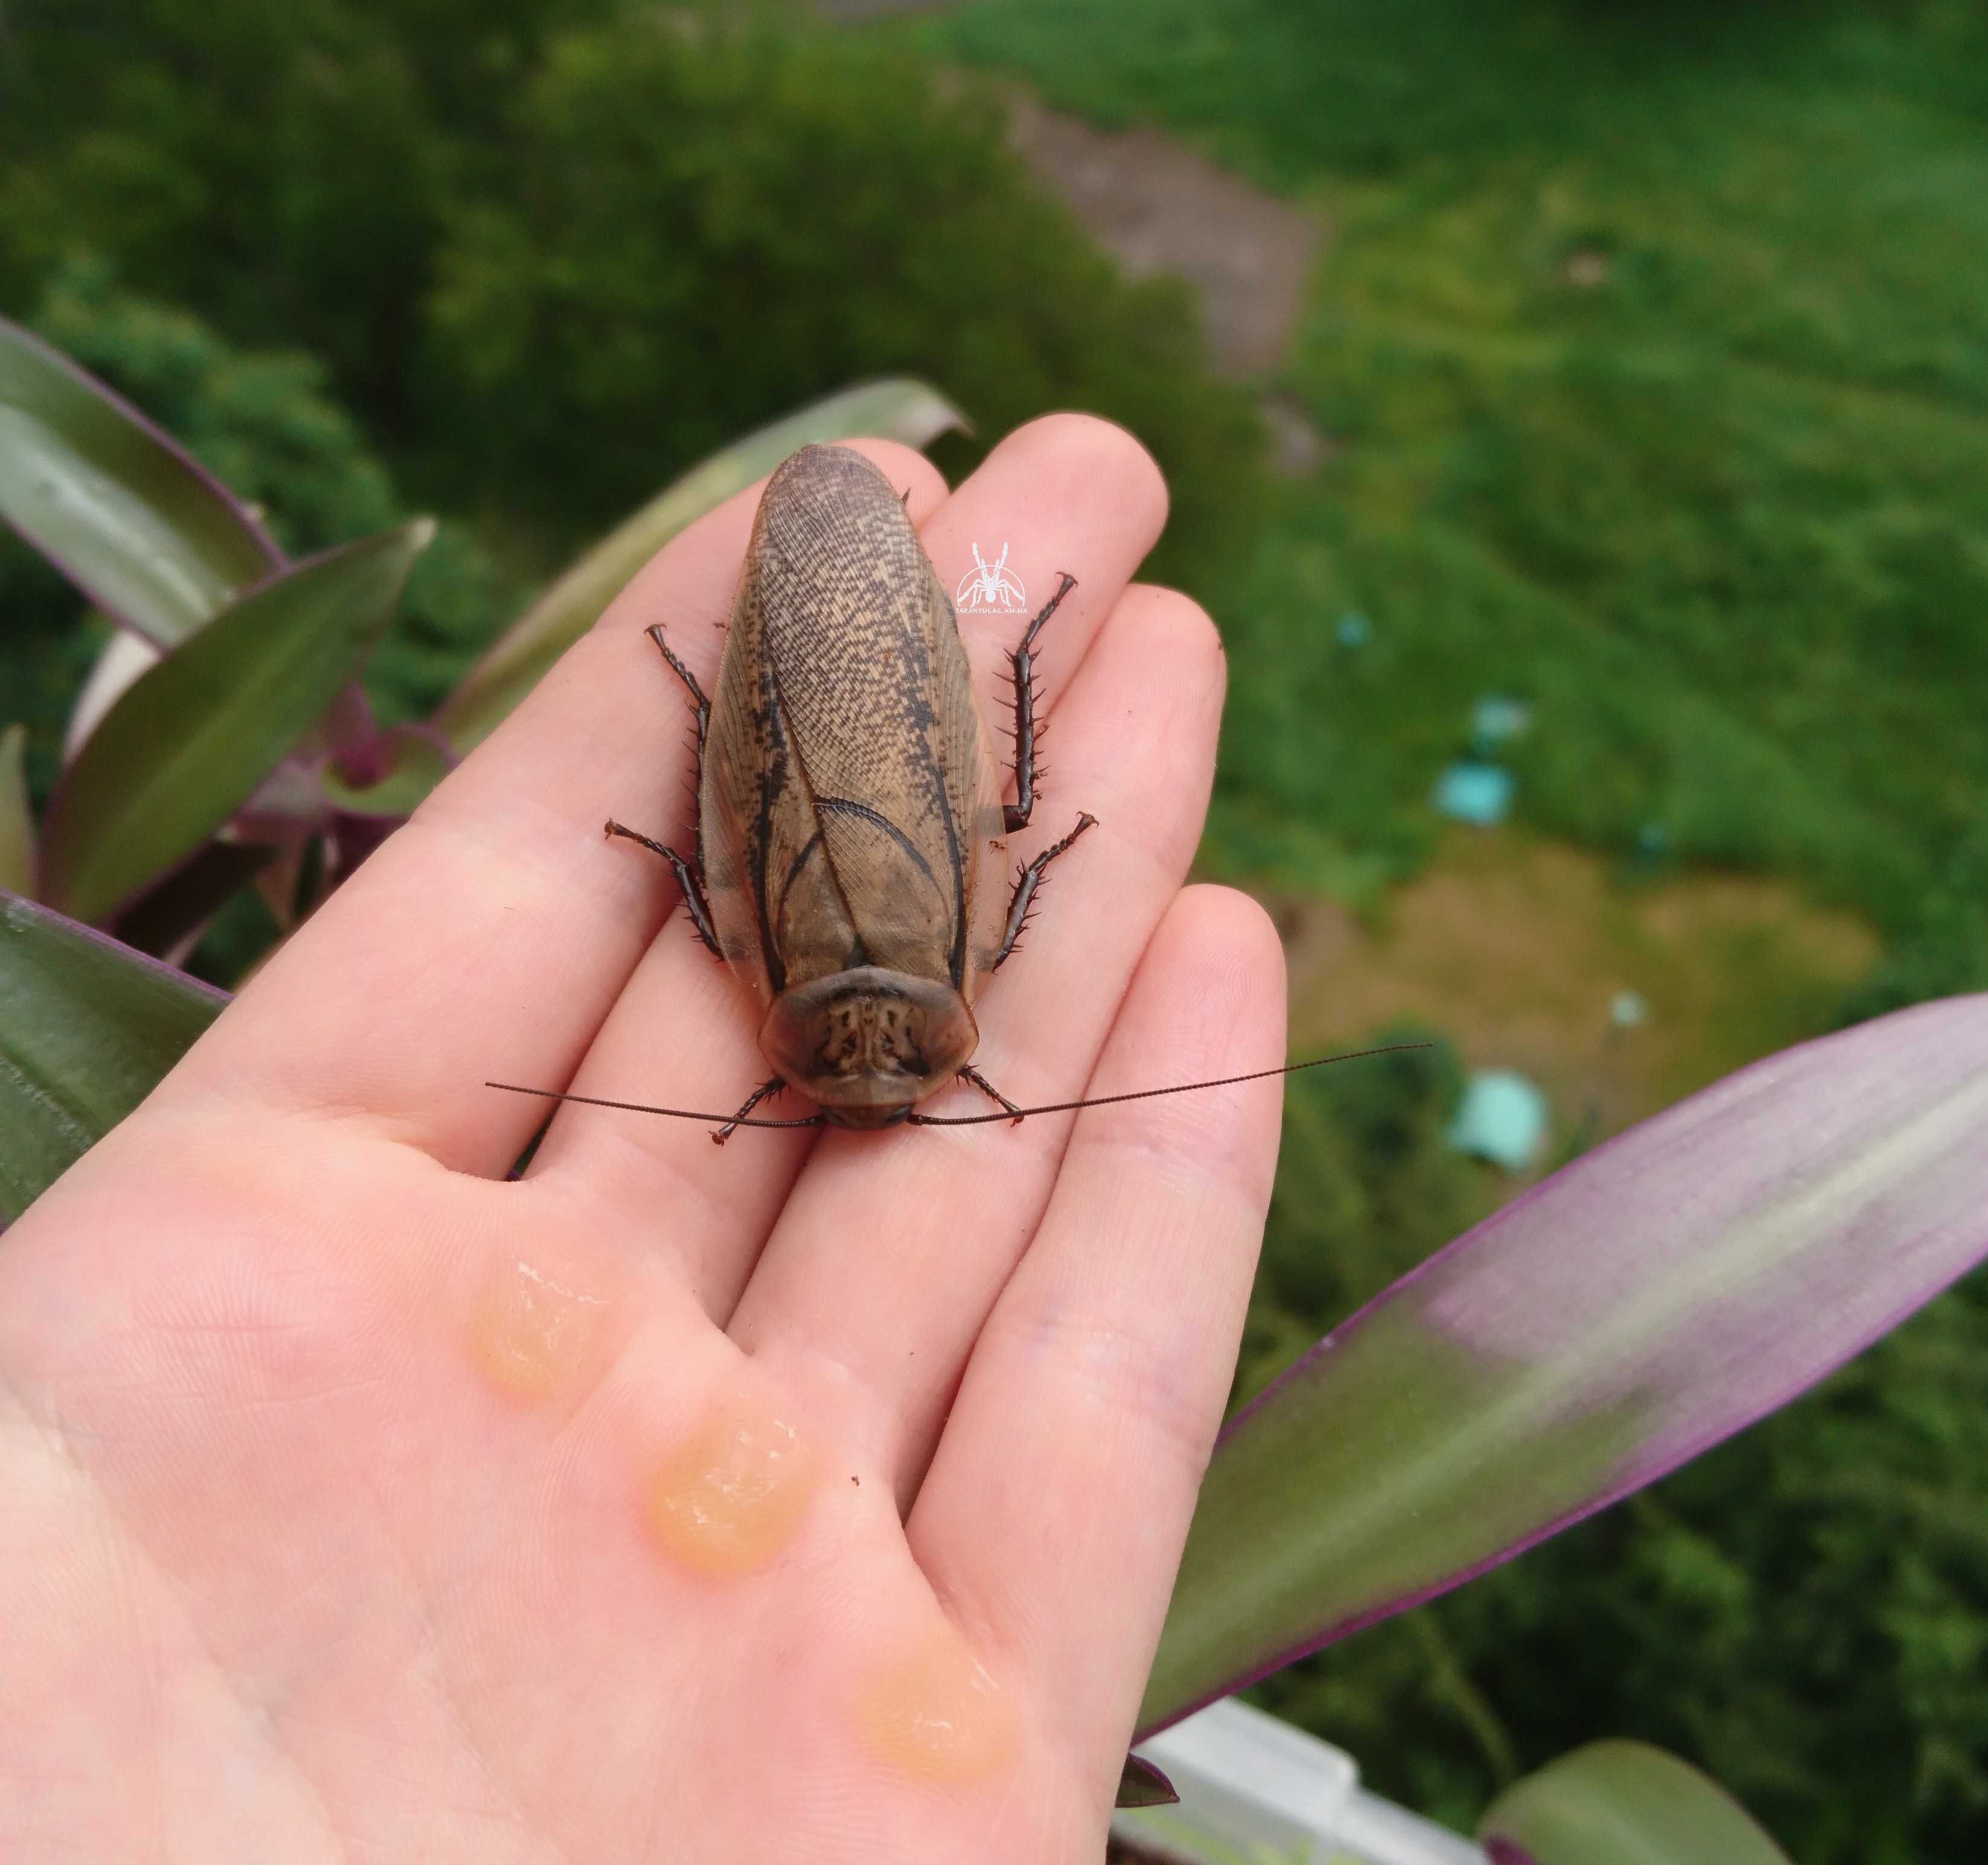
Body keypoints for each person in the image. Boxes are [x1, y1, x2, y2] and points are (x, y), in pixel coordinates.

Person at [0, 414, 1286, 1861]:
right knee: (1005, 819)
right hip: (897, 735)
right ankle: (967, 652)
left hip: (827, 756)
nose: (865, 1084)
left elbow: (714, 854)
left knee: (920, 822)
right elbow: (840, 862)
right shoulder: (914, 970)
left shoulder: (764, 961)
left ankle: (858, 669)